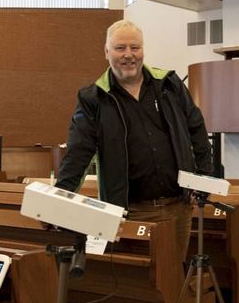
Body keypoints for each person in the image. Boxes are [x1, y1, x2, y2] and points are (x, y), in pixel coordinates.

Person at [56, 19, 213, 259]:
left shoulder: (168, 84)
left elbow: (197, 129)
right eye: (120, 48)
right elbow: (79, 151)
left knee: (175, 277)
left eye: (135, 47)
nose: (128, 55)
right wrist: (60, 196)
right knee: (140, 282)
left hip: (177, 207)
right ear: (106, 51)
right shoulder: (94, 97)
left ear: (143, 50)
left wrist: (203, 177)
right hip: (130, 211)